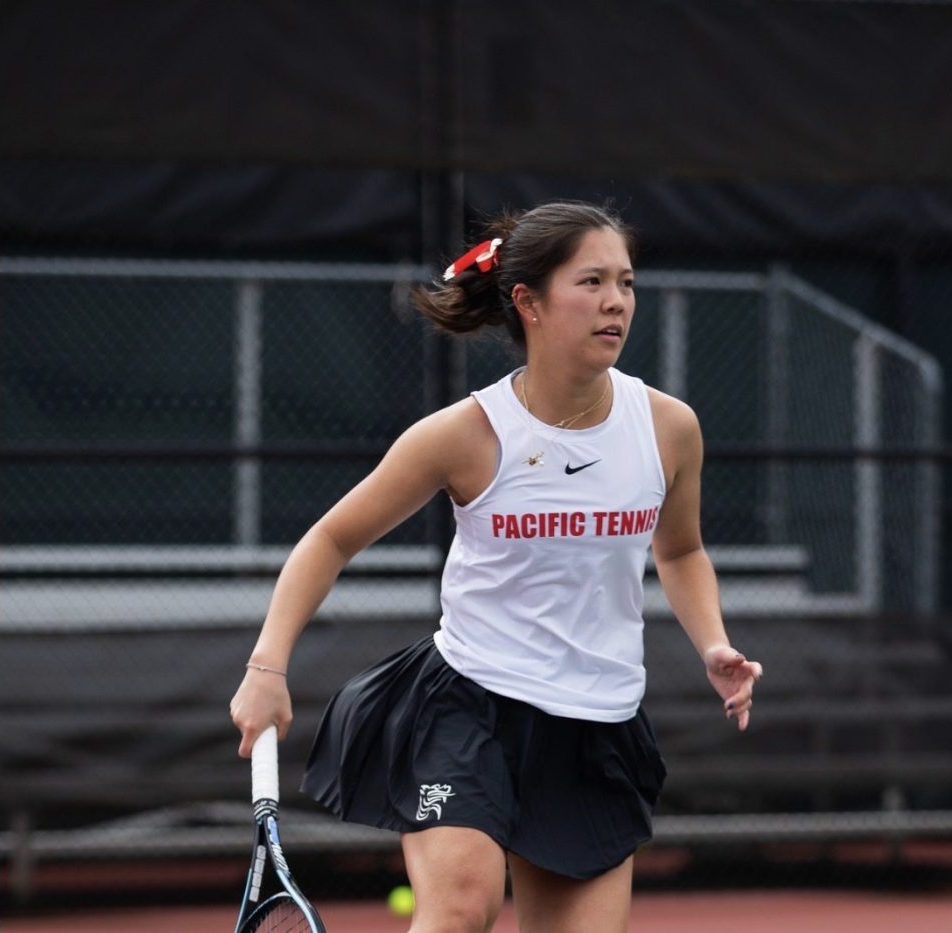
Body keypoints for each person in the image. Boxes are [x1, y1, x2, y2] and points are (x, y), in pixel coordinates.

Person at [230, 200, 763, 933]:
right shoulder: (465, 434)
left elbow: (679, 549)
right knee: (458, 912)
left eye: (627, 283)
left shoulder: (669, 427)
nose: (616, 302)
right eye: (592, 282)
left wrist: (713, 643)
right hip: (467, 708)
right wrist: (267, 668)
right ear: (528, 302)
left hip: (595, 726)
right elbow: (330, 538)